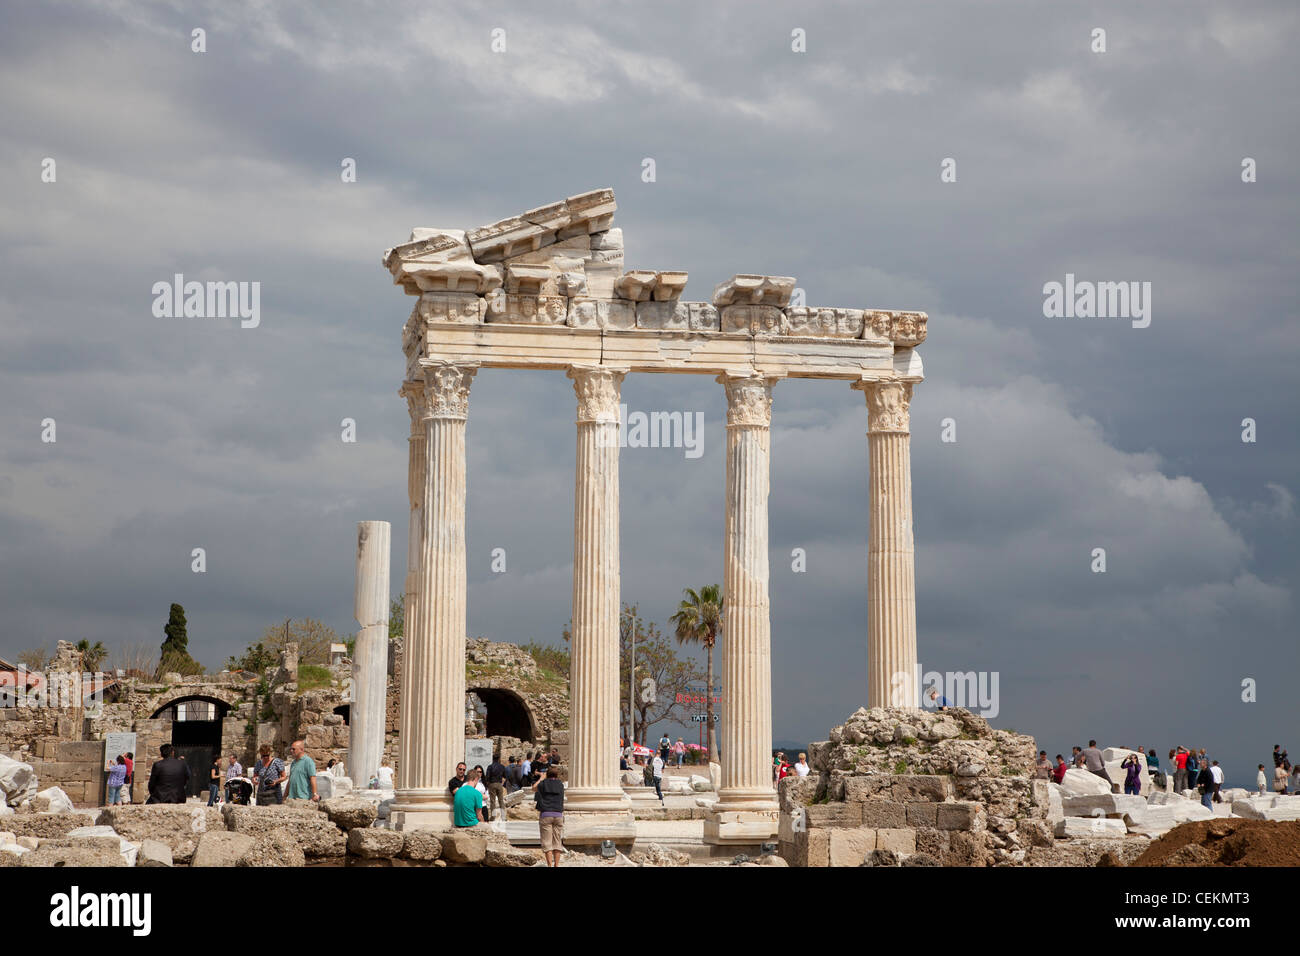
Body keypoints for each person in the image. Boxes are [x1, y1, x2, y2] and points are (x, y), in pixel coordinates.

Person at [533, 766, 565, 867]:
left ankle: (549, 865)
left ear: (547, 774)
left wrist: (541, 778)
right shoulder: (560, 785)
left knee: (547, 842)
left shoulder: (543, 784)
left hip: (546, 814)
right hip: (558, 814)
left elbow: (533, 788)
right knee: (557, 841)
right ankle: (557, 864)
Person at [485, 753, 508, 820]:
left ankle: (493, 816)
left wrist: (488, 784)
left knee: (493, 801)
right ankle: (503, 816)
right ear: (498, 759)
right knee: (501, 800)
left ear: (492, 759)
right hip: (499, 783)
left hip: (492, 784)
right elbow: (505, 776)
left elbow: (487, 777)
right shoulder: (502, 766)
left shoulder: (490, 766)